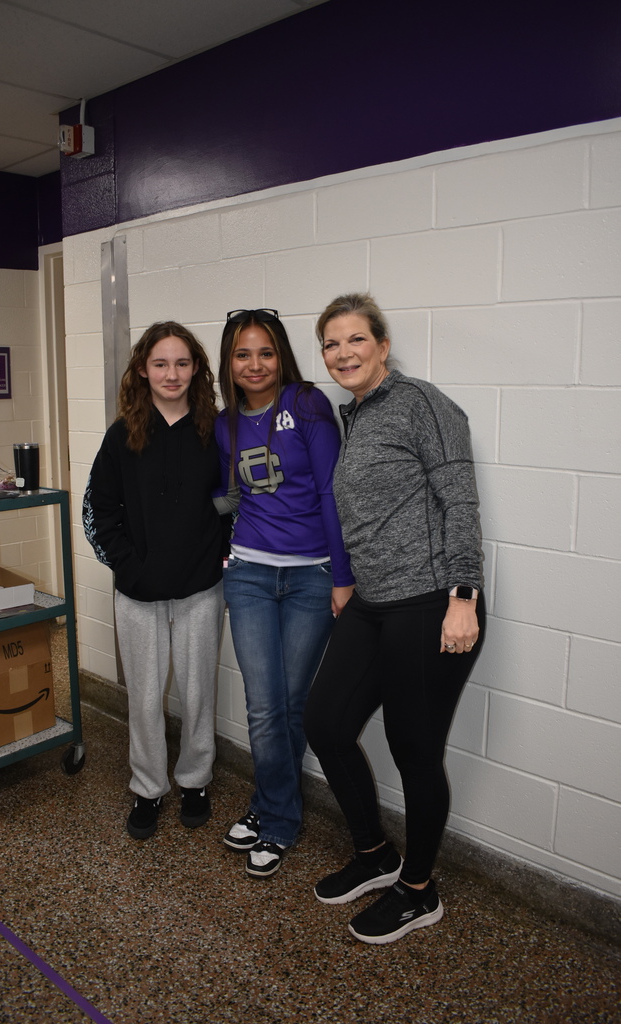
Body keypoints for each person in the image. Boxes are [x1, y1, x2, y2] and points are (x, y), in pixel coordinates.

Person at [304, 293, 485, 944]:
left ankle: (418, 889)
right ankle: (375, 856)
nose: (342, 353)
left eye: (354, 339)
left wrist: (463, 595)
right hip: (373, 603)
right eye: (330, 343)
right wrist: (346, 584)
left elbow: (458, 499)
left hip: (433, 602)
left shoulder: (421, 403)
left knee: (413, 750)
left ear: (381, 344)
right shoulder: (353, 415)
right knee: (323, 720)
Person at [216, 308, 354, 878]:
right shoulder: (223, 424)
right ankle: (277, 814)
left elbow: (330, 491)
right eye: (243, 354)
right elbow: (221, 496)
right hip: (247, 573)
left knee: (290, 706)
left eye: (265, 352)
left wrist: (343, 576)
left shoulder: (306, 405)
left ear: (281, 357)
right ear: (229, 360)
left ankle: (272, 813)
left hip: (311, 577)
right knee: (263, 703)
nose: (255, 364)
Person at [83, 321, 228, 840]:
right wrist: (129, 565)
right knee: (144, 698)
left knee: (197, 695)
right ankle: (147, 788)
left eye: (182, 363)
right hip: (139, 594)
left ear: (197, 369)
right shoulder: (123, 433)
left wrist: (222, 554)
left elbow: (234, 499)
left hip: (201, 590)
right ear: (143, 369)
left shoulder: (216, 430)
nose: (172, 373)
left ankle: (195, 780)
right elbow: (99, 510)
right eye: (161, 363)